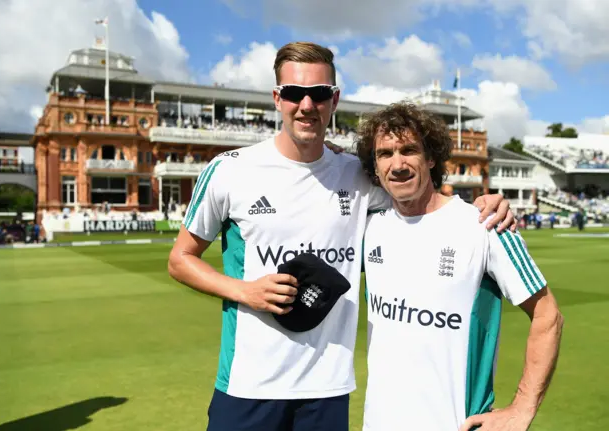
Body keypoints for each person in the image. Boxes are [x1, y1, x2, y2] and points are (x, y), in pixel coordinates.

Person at [167, 42, 515, 431]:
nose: (306, 105)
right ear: (277, 98)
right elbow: (180, 259)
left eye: (317, 94)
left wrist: (482, 205)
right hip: (249, 385)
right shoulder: (230, 171)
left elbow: (419, 191)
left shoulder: (357, 174)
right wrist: (243, 291)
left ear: (333, 100)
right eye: (294, 93)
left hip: (327, 390)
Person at [356, 102, 564, 431]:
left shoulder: (486, 224)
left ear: (431, 157)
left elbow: (548, 314)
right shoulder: (368, 229)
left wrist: (522, 407)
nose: (397, 164)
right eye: (385, 153)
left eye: (409, 150)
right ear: (375, 165)